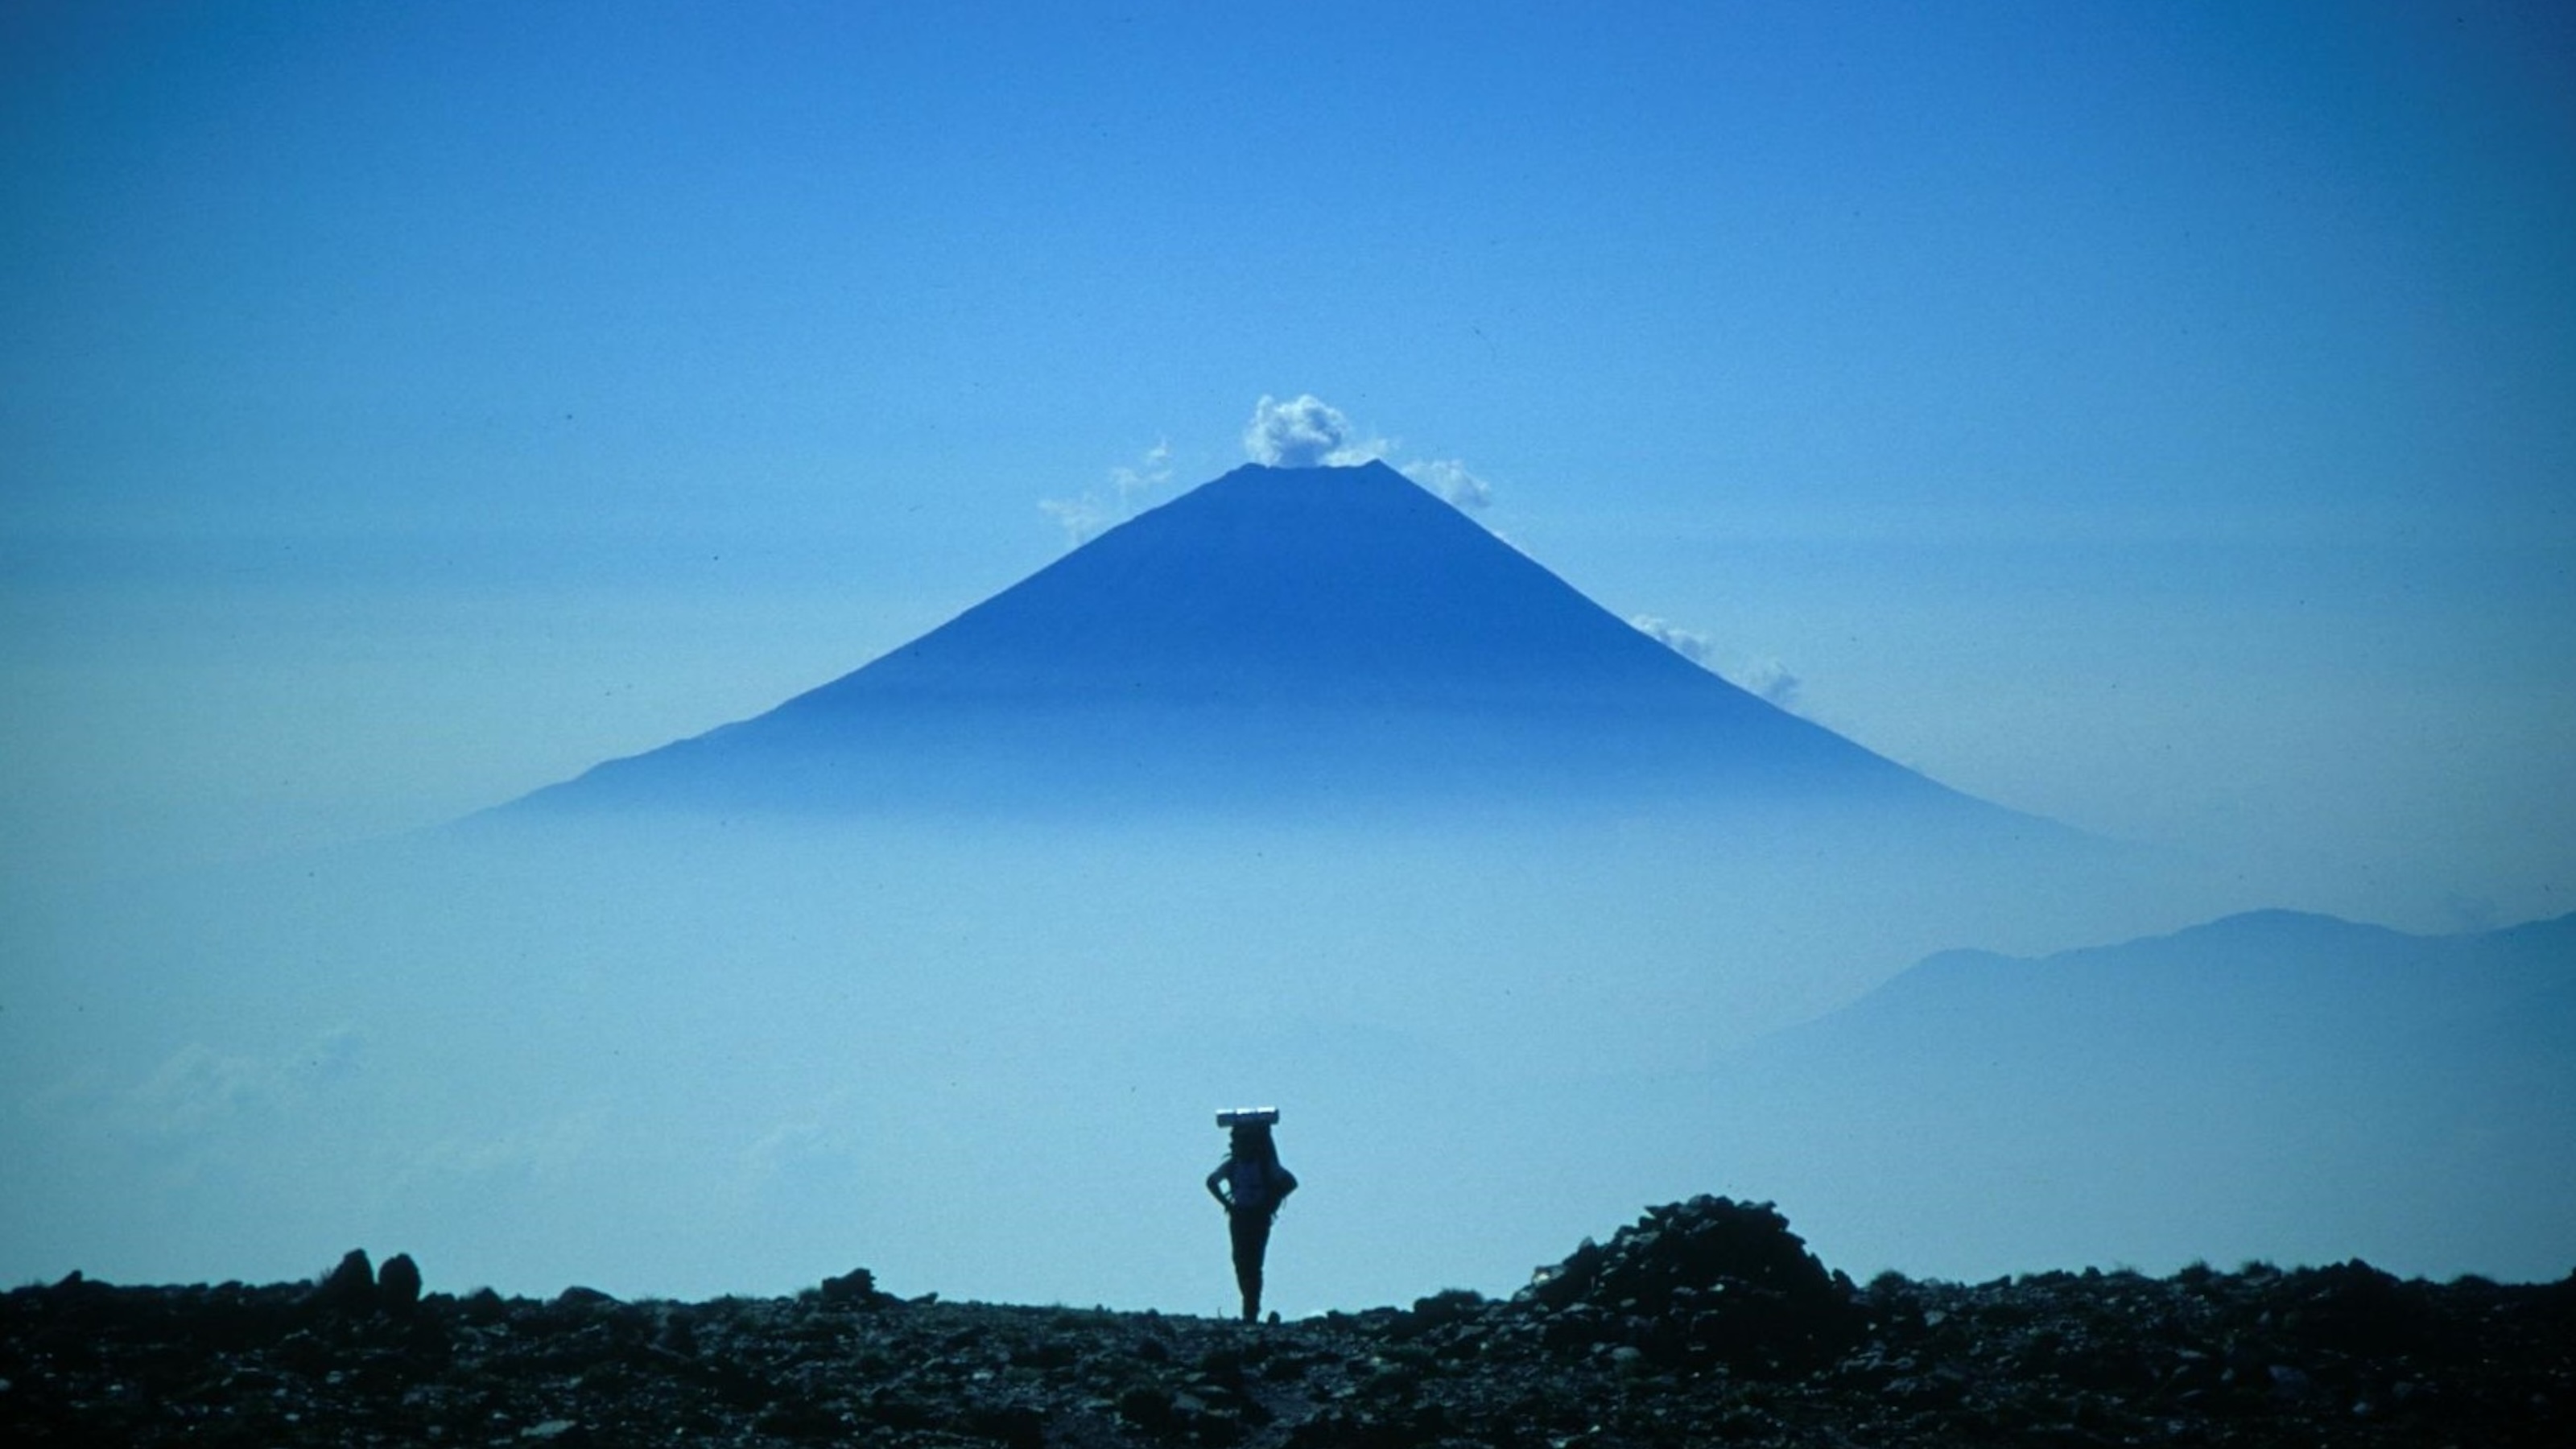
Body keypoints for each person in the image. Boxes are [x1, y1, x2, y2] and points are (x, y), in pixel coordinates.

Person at [1204, 1117, 1298, 1322]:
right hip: (1243, 1216)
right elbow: (1210, 1182)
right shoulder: (1237, 1165)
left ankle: (1250, 1310)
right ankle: (1250, 1308)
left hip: (1255, 1217)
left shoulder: (1263, 1165)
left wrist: (1268, 1203)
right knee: (1241, 1261)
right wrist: (1229, 1205)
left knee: (1252, 1263)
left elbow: (1291, 1183)